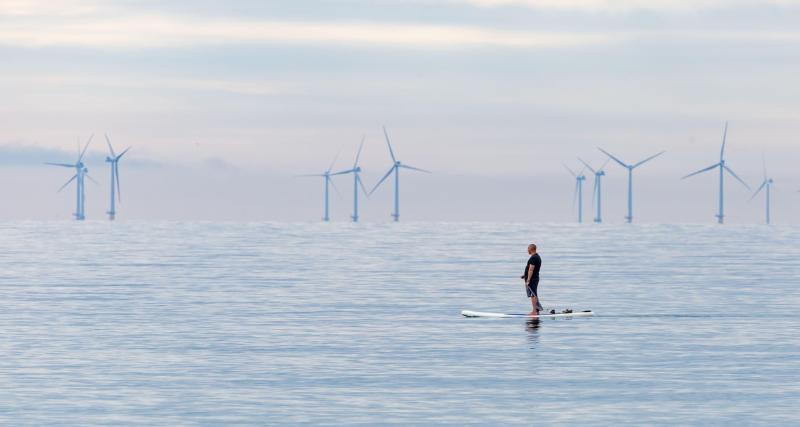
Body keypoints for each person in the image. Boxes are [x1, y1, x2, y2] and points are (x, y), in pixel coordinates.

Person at [521, 243, 543, 315]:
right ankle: (537, 310)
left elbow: (531, 269)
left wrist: (528, 280)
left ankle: (534, 311)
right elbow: (532, 270)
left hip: (532, 279)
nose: (527, 250)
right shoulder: (537, 257)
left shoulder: (533, 258)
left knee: (533, 295)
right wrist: (525, 275)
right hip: (534, 278)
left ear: (531, 249)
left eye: (528, 249)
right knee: (534, 294)